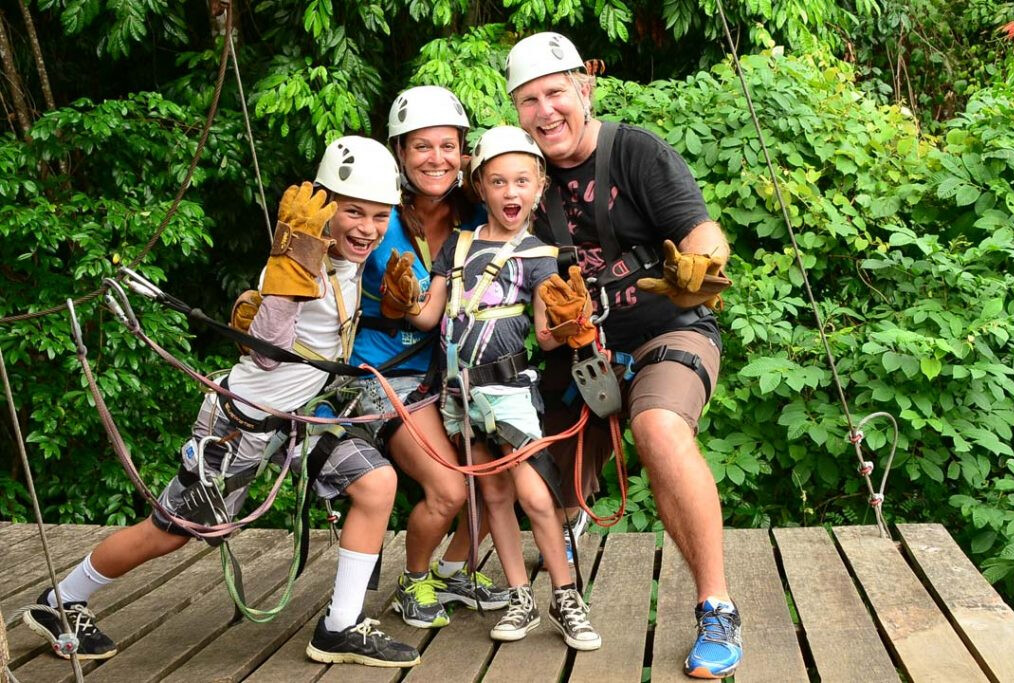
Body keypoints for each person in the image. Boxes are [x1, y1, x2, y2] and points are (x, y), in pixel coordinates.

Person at [20, 137, 421, 668]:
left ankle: (340, 629)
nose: (367, 228)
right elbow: (269, 357)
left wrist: (394, 305)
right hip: (242, 426)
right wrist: (285, 286)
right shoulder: (293, 267)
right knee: (168, 535)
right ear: (323, 206)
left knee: (377, 483)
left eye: (378, 215)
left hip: (298, 423)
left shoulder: (344, 264)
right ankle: (60, 601)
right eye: (353, 212)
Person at [506, 32, 742, 679]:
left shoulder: (635, 150)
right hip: (585, 351)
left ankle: (716, 605)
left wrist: (705, 264)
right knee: (535, 494)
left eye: (555, 93)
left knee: (658, 427)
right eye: (529, 100)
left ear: (584, 88)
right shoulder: (524, 182)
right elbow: (534, 316)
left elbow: (700, 229)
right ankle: (562, 529)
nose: (545, 111)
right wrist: (556, 322)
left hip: (668, 329)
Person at [381, 125, 601, 651]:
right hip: (458, 396)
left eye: (522, 181)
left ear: (539, 186)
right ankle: (521, 595)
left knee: (534, 493)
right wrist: (403, 302)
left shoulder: (541, 255)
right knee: (493, 494)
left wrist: (574, 328)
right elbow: (432, 315)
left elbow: (546, 337)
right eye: (499, 182)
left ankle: (567, 596)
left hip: (506, 390)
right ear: (479, 186)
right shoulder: (457, 246)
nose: (511, 192)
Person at [347, 85, 507, 630]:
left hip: (455, 373)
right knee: (448, 487)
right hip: (385, 374)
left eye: (448, 146)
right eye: (421, 147)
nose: (436, 159)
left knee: (498, 478)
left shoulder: (478, 214)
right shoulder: (375, 214)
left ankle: (454, 568)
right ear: (399, 153)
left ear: (465, 154)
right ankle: (414, 580)